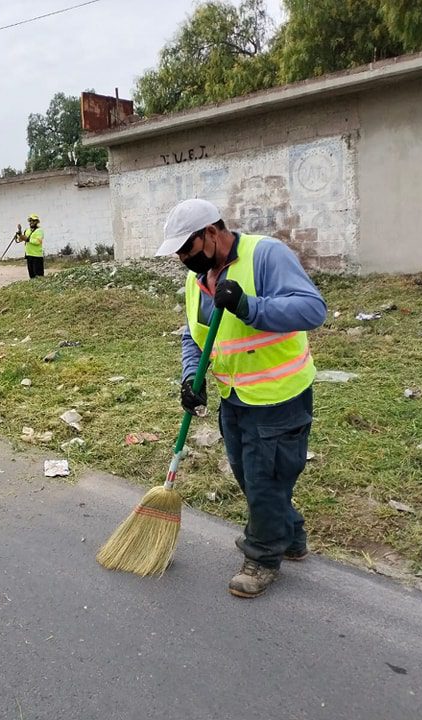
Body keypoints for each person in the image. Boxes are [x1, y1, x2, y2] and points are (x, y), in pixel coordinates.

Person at [156, 198, 326, 599]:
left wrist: (248, 305)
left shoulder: (266, 256)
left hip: (278, 398)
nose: (183, 258)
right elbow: (192, 335)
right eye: (178, 252)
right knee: (250, 476)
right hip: (233, 397)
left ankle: (263, 558)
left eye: (188, 248)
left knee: (265, 480)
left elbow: (312, 310)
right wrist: (190, 377)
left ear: (212, 233)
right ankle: (293, 538)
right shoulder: (197, 278)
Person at [15, 213, 44, 278]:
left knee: (39, 276)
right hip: (29, 255)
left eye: (33, 221)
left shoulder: (39, 231)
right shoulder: (27, 231)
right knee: (32, 276)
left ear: (37, 222)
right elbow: (20, 240)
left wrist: (27, 239)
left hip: (37, 256)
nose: (31, 222)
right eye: (30, 221)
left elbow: (38, 242)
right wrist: (20, 233)